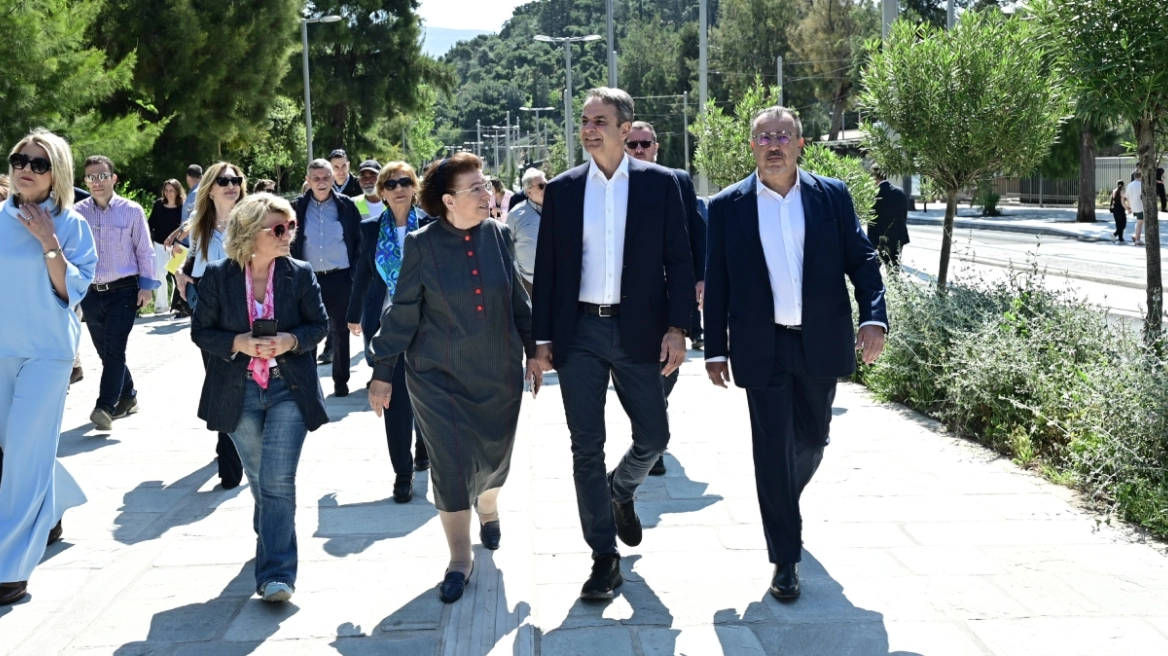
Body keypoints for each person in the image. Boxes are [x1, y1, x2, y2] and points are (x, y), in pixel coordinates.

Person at [704, 106, 887, 601]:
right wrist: (714, 350)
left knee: (812, 441)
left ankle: (784, 499)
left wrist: (874, 316)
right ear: (752, 147)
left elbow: (862, 260)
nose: (774, 144)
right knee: (771, 451)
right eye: (764, 137)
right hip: (760, 345)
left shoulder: (831, 196)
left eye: (784, 135)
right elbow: (717, 281)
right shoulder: (726, 206)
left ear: (801, 144)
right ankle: (785, 558)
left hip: (818, 340)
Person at [531, 88, 694, 601]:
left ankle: (620, 491)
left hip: (639, 330)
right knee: (585, 447)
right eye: (584, 120)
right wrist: (541, 343)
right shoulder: (562, 189)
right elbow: (549, 270)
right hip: (578, 333)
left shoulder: (662, 185)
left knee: (654, 435)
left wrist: (678, 327)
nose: (589, 128)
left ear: (626, 129)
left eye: (599, 120)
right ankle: (603, 557)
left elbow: (680, 260)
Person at [367, 153, 539, 604]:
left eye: (487, 185)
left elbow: (519, 303)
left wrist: (535, 350)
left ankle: (488, 505)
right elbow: (402, 314)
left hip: (497, 371)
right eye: (476, 188)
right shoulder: (422, 245)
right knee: (450, 463)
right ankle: (460, 557)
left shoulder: (499, 235)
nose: (488, 194)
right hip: (436, 376)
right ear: (448, 200)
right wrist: (382, 372)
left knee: (493, 454)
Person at [191, 193, 329, 603]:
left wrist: (290, 340)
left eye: (291, 227)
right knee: (260, 480)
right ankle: (271, 533)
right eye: (279, 229)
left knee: (277, 480)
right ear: (251, 233)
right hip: (239, 391)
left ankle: (276, 575)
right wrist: (238, 342)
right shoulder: (218, 276)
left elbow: (319, 325)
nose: (288, 235)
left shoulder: (299, 274)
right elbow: (201, 332)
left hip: (291, 388)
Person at [0, 129, 96, 605]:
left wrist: (47, 241)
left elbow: (68, 292)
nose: (27, 168)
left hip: (47, 353)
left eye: (39, 163)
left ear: (56, 172)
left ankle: (10, 568)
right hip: (2, 350)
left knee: (21, 457)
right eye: (21, 159)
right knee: (13, 447)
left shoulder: (72, 224)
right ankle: (53, 503)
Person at [623, 120, 707, 477]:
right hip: (626, 298)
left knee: (665, 370)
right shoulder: (610, 184)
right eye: (633, 144)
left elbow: (696, 232)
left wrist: (702, 278)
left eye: (646, 143)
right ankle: (650, 440)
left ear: (657, 147)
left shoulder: (677, 180)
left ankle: (650, 438)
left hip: (670, 294)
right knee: (638, 373)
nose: (639, 149)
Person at [346, 162, 431, 502]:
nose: (399, 189)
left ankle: (423, 446)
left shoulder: (431, 226)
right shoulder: (369, 229)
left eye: (405, 182)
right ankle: (402, 474)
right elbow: (362, 275)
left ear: (414, 188)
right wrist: (354, 315)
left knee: (426, 394)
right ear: (381, 192)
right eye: (391, 184)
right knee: (393, 397)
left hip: (428, 325)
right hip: (385, 326)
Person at [176, 162, 248, 489]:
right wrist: (179, 275)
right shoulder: (196, 225)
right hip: (207, 303)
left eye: (236, 180)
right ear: (211, 187)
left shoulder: (252, 219)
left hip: (245, 300)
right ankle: (228, 447)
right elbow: (175, 255)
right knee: (219, 375)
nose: (231, 185)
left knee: (241, 377)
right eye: (223, 180)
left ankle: (231, 447)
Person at [74, 155, 160, 431]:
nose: (96, 182)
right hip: (90, 293)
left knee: (114, 350)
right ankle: (129, 396)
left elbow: (145, 250)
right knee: (106, 351)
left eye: (102, 176)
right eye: (91, 177)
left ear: (113, 179)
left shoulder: (131, 211)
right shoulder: (77, 213)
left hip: (124, 291)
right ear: (85, 181)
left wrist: (147, 287)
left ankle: (105, 406)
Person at [292, 159, 363, 396]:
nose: (321, 183)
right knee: (308, 332)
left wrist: (353, 276)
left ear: (333, 179)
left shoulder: (347, 207)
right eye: (316, 178)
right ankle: (309, 384)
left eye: (326, 178)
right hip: (307, 279)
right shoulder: (297, 208)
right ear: (308, 181)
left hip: (340, 279)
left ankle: (341, 382)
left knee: (340, 332)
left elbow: (359, 243)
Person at [505, 168, 547, 295]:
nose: (546, 189)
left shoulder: (559, 208)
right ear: (529, 192)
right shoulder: (517, 214)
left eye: (547, 184)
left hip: (555, 279)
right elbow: (506, 245)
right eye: (541, 186)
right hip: (527, 282)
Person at [149, 180, 186, 315]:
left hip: (178, 246)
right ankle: (161, 306)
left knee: (178, 275)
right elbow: (151, 222)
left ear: (177, 191)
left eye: (171, 190)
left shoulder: (184, 206)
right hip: (160, 245)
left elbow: (186, 226)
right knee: (160, 273)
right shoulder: (159, 204)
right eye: (166, 190)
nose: (168, 193)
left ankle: (179, 305)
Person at [868, 167, 911, 266]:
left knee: (874, 271)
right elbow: (904, 215)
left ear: (875, 177)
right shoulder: (900, 192)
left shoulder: (874, 194)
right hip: (898, 238)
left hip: (879, 239)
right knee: (894, 270)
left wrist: (870, 242)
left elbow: (871, 220)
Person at [1127, 171, 1145, 246]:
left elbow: (1127, 197)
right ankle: (1137, 239)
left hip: (1133, 206)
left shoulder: (1130, 185)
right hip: (1140, 207)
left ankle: (1136, 236)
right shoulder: (1141, 184)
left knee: (1138, 222)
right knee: (1140, 223)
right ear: (1141, 176)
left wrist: (1129, 207)